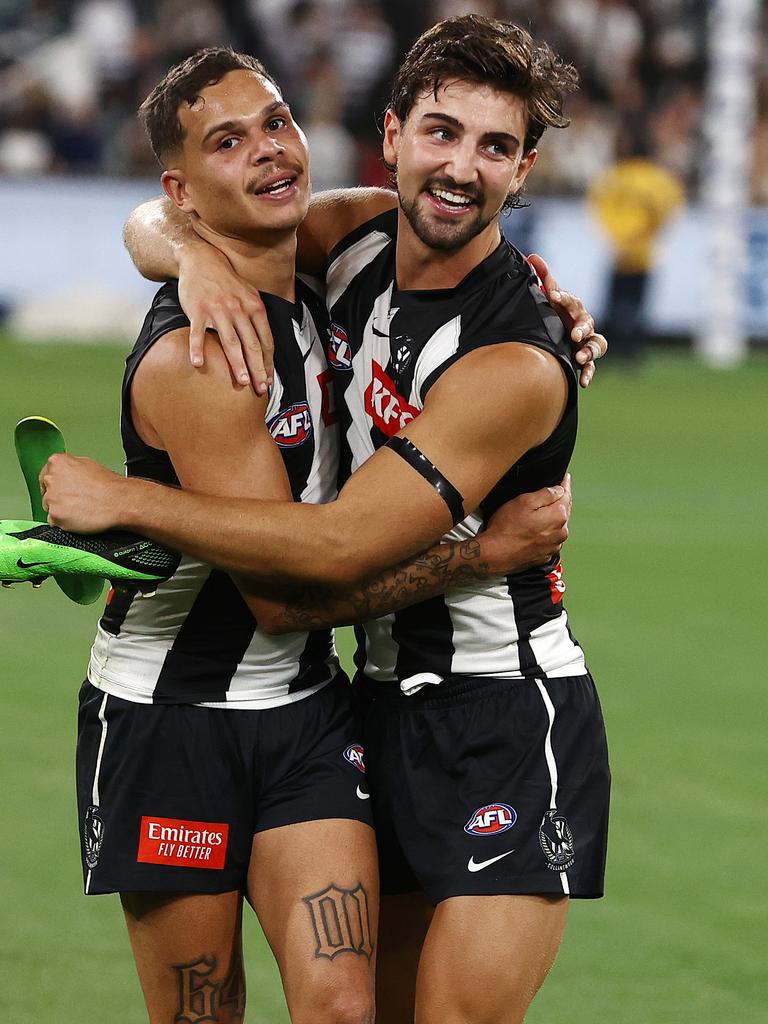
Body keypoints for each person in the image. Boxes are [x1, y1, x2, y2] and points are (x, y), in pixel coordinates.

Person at [37, 17, 610, 1024]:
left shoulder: (512, 358)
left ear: (525, 173)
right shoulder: (347, 245)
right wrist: (186, 256)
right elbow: (161, 212)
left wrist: (125, 498)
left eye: (496, 148)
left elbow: (325, 561)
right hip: (350, 702)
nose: (462, 168)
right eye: (442, 133)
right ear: (390, 135)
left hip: (491, 709)